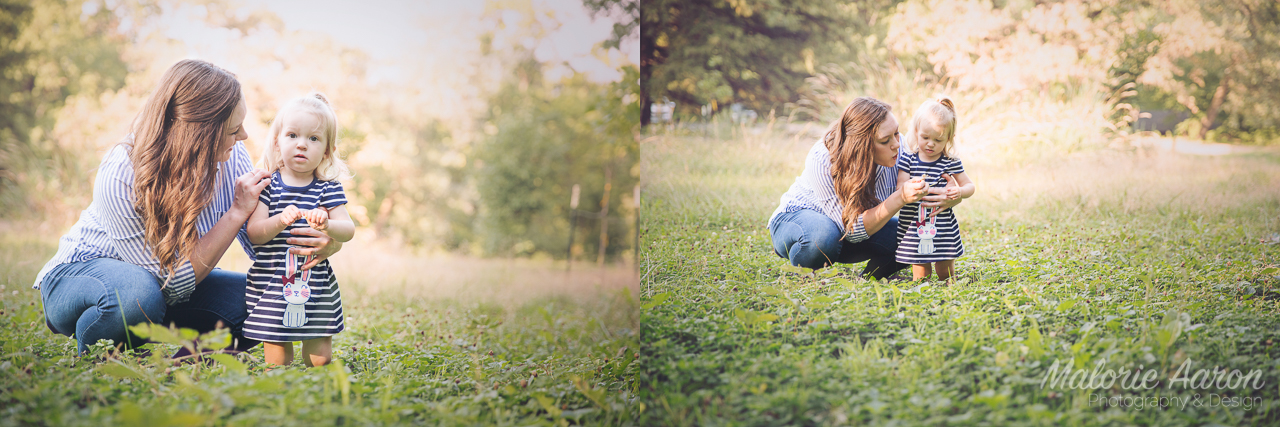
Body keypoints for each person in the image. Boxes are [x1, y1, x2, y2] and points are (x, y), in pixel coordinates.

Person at [32, 59, 344, 356]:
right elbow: (169, 285)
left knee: (263, 298)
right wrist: (235, 213)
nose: (244, 137)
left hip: (165, 284)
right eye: (233, 130)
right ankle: (96, 351)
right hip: (81, 277)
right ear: (199, 134)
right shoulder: (120, 172)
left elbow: (262, 246)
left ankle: (179, 366)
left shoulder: (231, 156)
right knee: (137, 296)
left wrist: (320, 244)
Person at [767, 96, 960, 279]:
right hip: (800, 219)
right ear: (862, 146)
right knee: (822, 235)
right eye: (885, 141)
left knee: (909, 237)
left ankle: (868, 279)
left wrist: (952, 194)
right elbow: (849, 230)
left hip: (849, 234)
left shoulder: (900, 148)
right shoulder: (822, 158)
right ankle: (805, 271)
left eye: (896, 133)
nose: (897, 145)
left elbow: (928, 176)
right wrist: (900, 197)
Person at [244, 92, 354, 367]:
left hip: (314, 284)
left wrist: (328, 224)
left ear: (327, 151)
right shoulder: (269, 185)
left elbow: (348, 229)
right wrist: (280, 220)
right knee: (277, 359)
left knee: (320, 357)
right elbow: (255, 234)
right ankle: (281, 399)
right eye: (293, 135)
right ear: (277, 142)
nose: (302, 145)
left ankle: (316, 395)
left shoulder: (327, 187)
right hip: (272, 282)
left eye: (314, 139)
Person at [895, 96, 977, 281]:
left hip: (942, 226)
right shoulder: (908, 159)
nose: (930, 144)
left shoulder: (950, 162)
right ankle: (922, 293)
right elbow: (900, 186)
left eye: (938, 140)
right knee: (920, 267)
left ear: (949, 138)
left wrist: (960, 192)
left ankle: (947, 288)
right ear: (916, 132)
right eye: (925, 137)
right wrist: (911, 188)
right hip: (913, 225)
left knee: (945, 267)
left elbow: (969, 186)